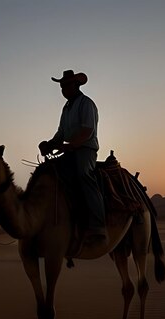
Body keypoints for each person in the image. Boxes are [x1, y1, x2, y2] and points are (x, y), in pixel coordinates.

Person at [39, 69, 106, 243]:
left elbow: (87, 131)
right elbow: (61, 133)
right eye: (61, 86)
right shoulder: (66, 108)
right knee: (48, 173)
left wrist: (71, 145)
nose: (62, 89)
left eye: (65, 85)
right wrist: (49, 144)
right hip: (69, 150)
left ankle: (98, 225)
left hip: (85, 150)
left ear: (75, 85)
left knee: (84, 175)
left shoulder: (86, 104)